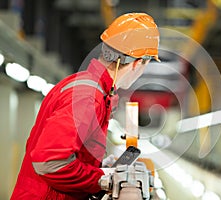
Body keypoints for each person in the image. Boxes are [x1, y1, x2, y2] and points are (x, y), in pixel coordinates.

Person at [11, 12, 160, 200]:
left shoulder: (86, 87)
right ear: (138, 64)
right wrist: (103, 180)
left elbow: (68, 152)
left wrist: (100, 169)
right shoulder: (87, 97)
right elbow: (49, 161)